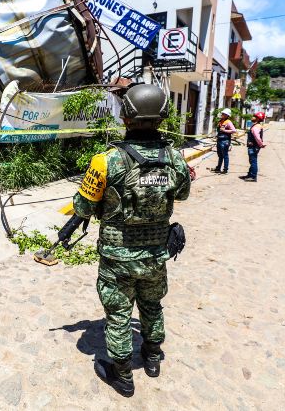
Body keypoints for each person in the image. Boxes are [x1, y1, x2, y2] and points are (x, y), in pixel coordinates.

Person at [71, 83, 195, 397]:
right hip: (155, 254)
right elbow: (182, 193)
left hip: (117, 258)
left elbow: (82, 206)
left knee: (118, 314)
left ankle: (123, 375)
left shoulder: (106, 161)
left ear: (125, 117)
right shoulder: (174, 158)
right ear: (162, 117)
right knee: (152, 305)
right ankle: (152, 357)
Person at [240, 112, 266, 182]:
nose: (252, 117)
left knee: (253, 161)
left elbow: (257, 137)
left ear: (258, 119)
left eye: (254, 116)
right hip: (254, 146)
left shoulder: (256, 127)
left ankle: (253, 177)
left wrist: (261, 144)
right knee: (252, 161)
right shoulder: (256, 126)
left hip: (254, 146)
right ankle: (250, 175)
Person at [213, 108, 237, 174]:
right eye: (222, 113)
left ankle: (225, 169)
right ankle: (218, 168)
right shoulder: (221, 121)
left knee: (225, 155)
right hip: (219, 140)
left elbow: (234, 130)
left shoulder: (228, 122)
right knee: (220, 155)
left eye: (224, 114)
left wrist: (225, 131)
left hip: (225, 141)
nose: (222, 115)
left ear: (227, 115)